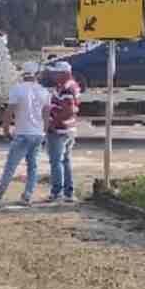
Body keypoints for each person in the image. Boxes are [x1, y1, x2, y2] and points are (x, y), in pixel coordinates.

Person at [0, 61, 52, 206]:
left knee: (10, 166)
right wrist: (44, 132)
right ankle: (27, 196)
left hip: (22, 133)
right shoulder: (44, 92)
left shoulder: (17, 89)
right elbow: (46, 115)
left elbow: (9, 112)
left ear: (23, 74)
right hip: (38, 134)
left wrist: (6, 129)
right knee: (32, 166)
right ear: (37, 75)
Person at [46, 60, 81, 204]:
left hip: (61, 130)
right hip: (68, 128)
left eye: (56, 73)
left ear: (65, 73)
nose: (53, 76)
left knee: (56, 162)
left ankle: (57, 193)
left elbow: (68, 110)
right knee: (65, 161)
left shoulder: (66, 88)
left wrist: (53, 123)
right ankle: (68, 192)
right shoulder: (71, 86)